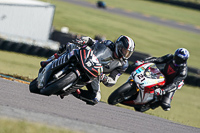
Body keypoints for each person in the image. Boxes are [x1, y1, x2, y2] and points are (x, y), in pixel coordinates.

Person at [41, 35, 135, 105]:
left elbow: (113, 80)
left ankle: (73, 90)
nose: (125, 54)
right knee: (71, 45)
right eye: (124, 51)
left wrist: (105, 78)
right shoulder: (108, 44)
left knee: (95, 98)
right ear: (119, 46)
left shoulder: (123, 65)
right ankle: (50, 60)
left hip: (95, 73)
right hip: (86, 57)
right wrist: (84, 40)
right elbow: (93, 42)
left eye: (128, 53)